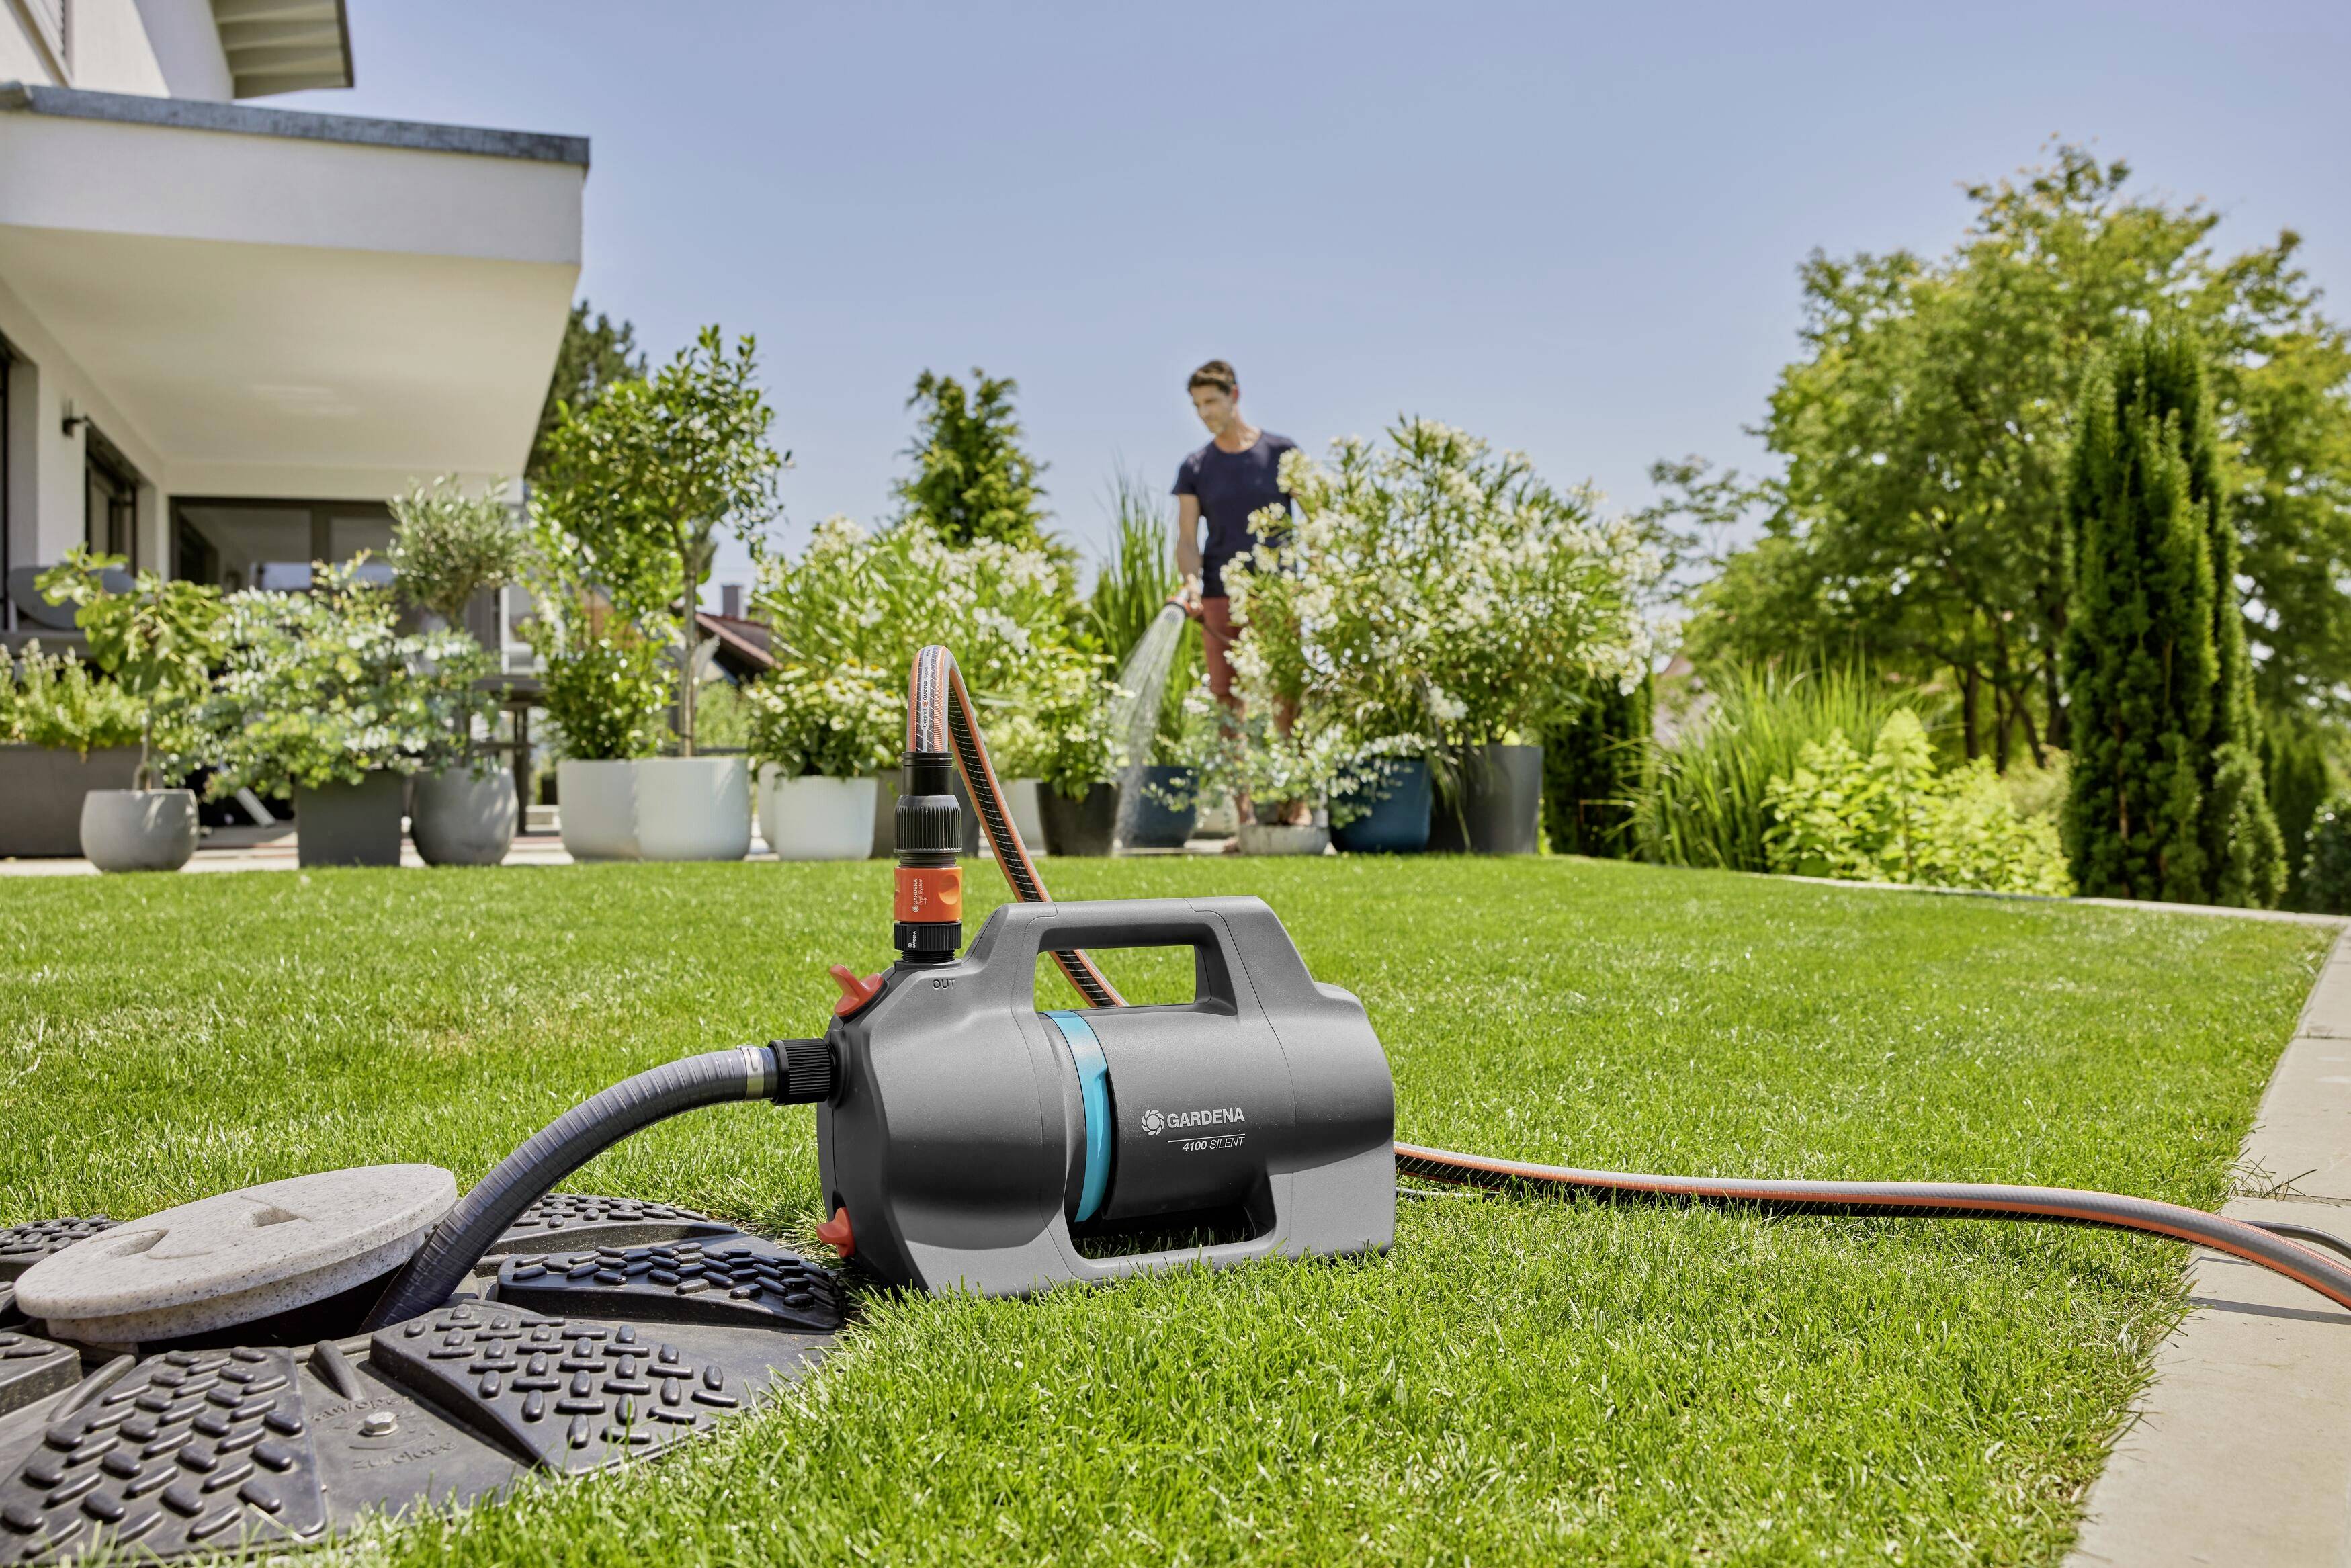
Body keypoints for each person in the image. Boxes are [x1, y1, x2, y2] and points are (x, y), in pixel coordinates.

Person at [1171, 359, 1297, 715]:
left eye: (1211, 402)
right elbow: (1186, 540)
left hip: (1279, 592)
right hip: (1219, 595)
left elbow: (1317, 517)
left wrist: (1313, 577)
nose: (1204, 413)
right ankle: (1233, 771)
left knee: (1285, 692)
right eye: (1197, 405)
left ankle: (1293, 765)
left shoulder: (1281, 453)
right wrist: (1191, 582)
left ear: (1234, 395)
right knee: (1228, 698)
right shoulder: (1195, 467)